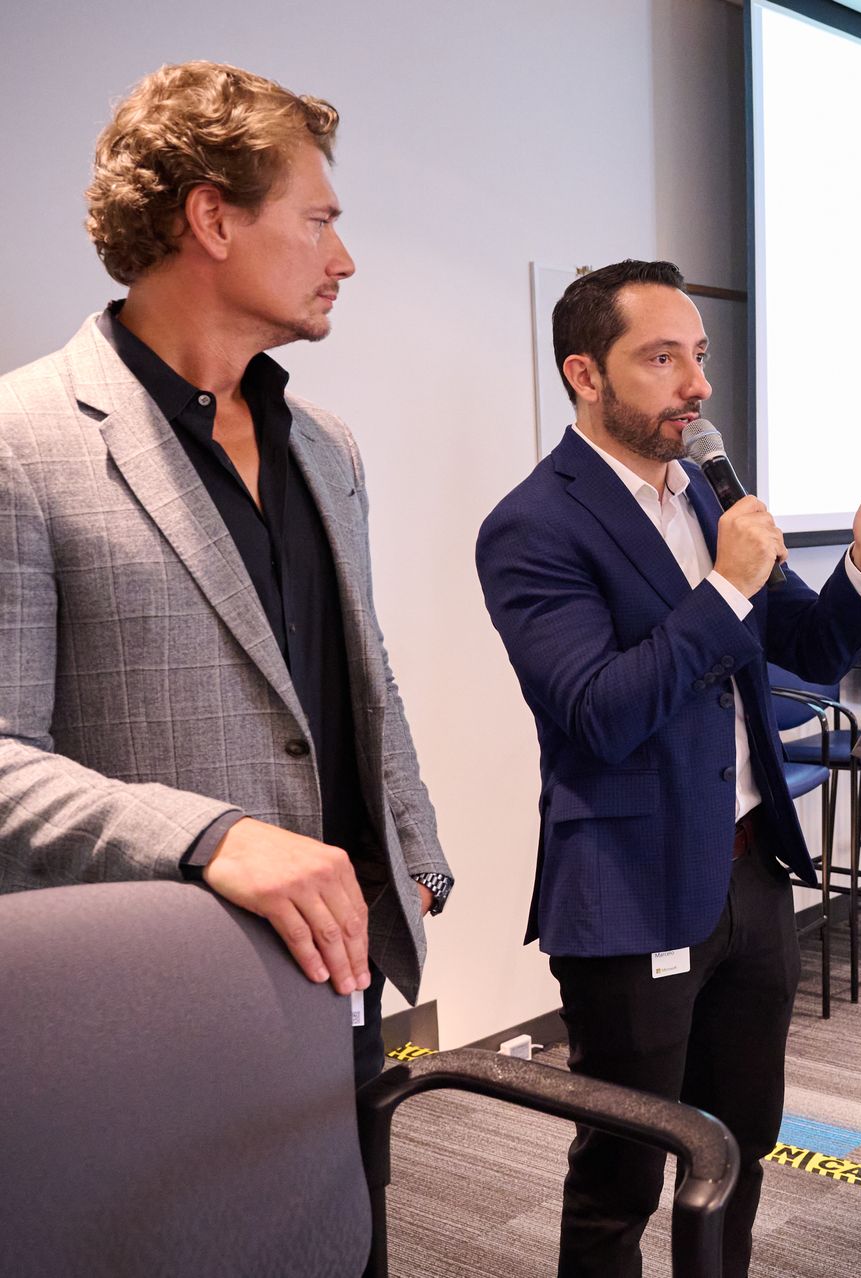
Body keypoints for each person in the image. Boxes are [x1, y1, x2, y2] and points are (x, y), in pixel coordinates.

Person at [474, 259, 861, 1278]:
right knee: (625, 1168)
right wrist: (727, 589)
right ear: (585, 374)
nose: (696, 383)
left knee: (739, 1138)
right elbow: (599, 714)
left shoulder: (704, 493)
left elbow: (809, 647)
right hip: (631, 887)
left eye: (699, 356)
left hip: (749, 868)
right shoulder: (533, 526)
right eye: (662, 358)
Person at [0, 61, 451, 1088]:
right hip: (151, 1005)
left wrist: (416, 860)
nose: (343, 258)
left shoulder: (325, 448)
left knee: (354, 1242)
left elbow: (360, 670)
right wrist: (213, 839)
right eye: (317, 220)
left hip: (345, 969)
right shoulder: (20, 442)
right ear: (212, 219)